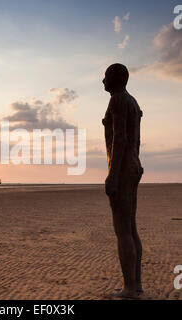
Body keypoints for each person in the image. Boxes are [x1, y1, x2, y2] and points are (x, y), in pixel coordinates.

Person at [102, 63, 144, 299]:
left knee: (123, 230)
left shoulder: (118, 100)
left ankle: (130, 288)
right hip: (134, 167)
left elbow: (121, 139)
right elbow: (134, 139)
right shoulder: (133, 102)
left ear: (115, 79)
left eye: (105, 76)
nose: (102, 81)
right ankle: (135, 284)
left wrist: (113, 175)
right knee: (131, 228)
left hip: (124, 169)